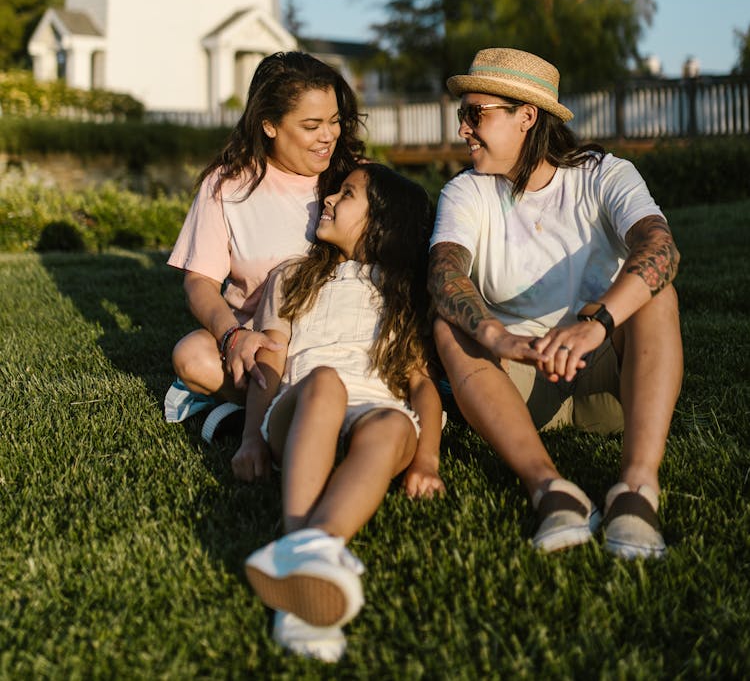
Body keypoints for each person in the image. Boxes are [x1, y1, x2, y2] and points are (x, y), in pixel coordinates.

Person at [428, 47, 682, 560]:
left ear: (526, 116)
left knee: (658, 291)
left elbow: (661, 248)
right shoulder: (466, 192)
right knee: (447, 322)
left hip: (610, 383)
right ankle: (550, 489)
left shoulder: (602, 175)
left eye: (475, 114)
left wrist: (599, 323)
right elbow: (444, 274)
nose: (463, 130)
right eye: (463, 115)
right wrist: (502, 339)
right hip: (515, 388)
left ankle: (635, 490)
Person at [241, 162, 445, 662]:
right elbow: (270, 361)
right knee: (326, 382)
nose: (328, 199)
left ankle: (314, 555)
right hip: (303, 405)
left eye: (346, 194)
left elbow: (421, 386)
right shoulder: (292, 277)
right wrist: (250, 438)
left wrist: (427, 460)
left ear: (381, 223)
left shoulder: (404, 294)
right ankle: (300, 544)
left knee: (396, 422)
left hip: (376, 409)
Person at [165, 51, 366, 446]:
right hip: (262, 343)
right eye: (311, 126)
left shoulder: (355, 180)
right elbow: (200, 281)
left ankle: (259, 416)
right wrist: (233, 337)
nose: (328, 136)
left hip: (338, 338)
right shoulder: (228, 186)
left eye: (333, 121)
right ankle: (294, 416)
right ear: (269, 125)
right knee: (192, 356)